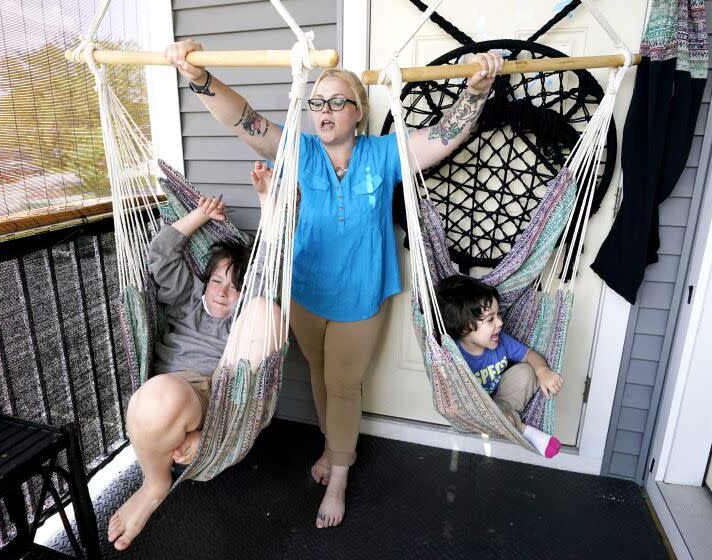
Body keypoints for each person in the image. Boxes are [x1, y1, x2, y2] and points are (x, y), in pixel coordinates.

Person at [164, 38, 504, 529]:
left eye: (336, 101)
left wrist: (476, 91)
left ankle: (340, 474)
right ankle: (333, 447)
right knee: (322, 377)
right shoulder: (299, 151)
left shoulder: (385, 154)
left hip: (361, 297)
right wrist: (199, 78)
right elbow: (244, 121)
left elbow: (446, 136)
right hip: (307, 294)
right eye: (316, 102)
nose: (323, 110)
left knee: (343, 385)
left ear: (358, 113)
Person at [107, 168, 281, 551]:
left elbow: (268, 271)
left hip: (212, 393)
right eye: (218, 281)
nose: (223, 292)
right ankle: (159, 475)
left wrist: (267, 201)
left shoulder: (242, 318)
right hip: (166, 390)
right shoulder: (186, 297)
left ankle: (167, 473)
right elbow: (161, 254)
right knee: (158, 398)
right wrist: (199, 215)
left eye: (236, 287)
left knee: (268, 310)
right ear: (204, 279)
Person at [436, 275, 563, 458]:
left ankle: (504, 418)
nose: (500, 323)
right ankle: (522, 428)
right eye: (490, 320)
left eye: (498, 315)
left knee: (527, 371)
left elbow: (529, 355)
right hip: (472, 409)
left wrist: (543, 371)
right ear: (465, 328)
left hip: (501, 401)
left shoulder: (501, 342)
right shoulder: (452, 354)